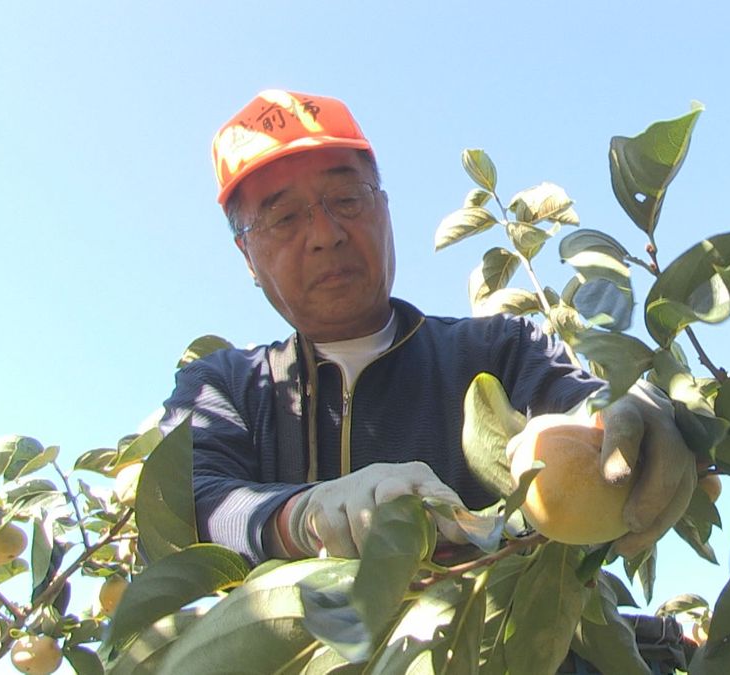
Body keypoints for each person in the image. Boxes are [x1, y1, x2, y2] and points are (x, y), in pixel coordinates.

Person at [160, 90, 697, 564]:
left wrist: (628, 413)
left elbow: (579, 412)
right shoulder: (224, 388)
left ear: (385, 209)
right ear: (247, 258)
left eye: (347, 199)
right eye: (283, 217)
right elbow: (191, 506)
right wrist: (302, 518)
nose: (325, 233)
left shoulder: (497, 349)